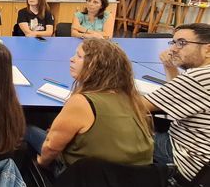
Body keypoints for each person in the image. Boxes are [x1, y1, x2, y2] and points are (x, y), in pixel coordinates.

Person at [28, 38, 153, 170]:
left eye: (79, 56)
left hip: (88, 177)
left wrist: (41, 162)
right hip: (139, 178)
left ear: (95, 66)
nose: (71, 59)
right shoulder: (133, 99)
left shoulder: (82, 102)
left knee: (27, 130)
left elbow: (51, 147)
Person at [143, 23, 210, 187]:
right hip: (205, 167)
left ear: (207, 49)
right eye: (173, 42)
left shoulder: (198, 78)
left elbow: (139, 105)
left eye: (182, 43)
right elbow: (179, 95)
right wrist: (170, 67)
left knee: (125, 134)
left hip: (189, 158)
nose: (173, 49)